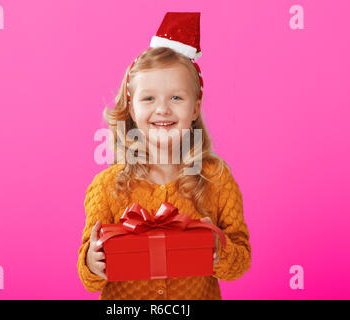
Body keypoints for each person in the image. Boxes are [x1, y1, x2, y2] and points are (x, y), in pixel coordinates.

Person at [77, 12, 251, 300]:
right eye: (149, 98)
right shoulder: (107, 186)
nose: (163, 109)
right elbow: (89, 276)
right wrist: (91, 263)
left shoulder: (216, 178)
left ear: (195, 108)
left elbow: (241, 260)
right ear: (132, 110)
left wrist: (221, 251)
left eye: (176, 98)